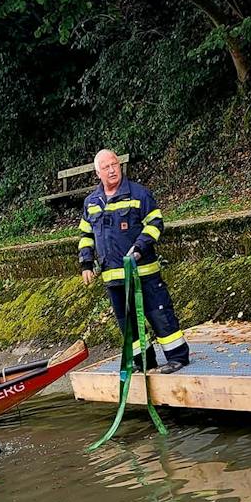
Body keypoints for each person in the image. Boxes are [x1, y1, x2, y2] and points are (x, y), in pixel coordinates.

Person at [76, 149, 189, 372]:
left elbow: (155, 224)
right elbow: (86, 235)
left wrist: (139, 248)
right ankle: (143, 362)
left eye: (114, 165)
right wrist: (86, 263)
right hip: (114, 279)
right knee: (128, 325)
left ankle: (177, 357)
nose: (111, 170)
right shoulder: (91, 203)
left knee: (159, 314)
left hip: (143, 272)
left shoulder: (139, 194)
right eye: (106, 167)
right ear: (98, 172)